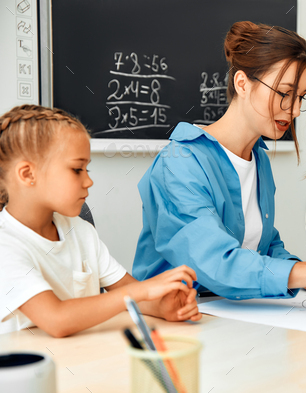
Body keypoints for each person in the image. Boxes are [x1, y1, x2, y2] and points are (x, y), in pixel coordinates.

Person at [132, 21, 306, 314]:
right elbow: (216, 263)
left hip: (235, 314)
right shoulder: (179, 163)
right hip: (175, 320)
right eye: (284, 93)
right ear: (242, 83)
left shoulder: (257, 158)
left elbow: (265, 246)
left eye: (301, 97)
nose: (295, 110)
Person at [0, 105, 201, 337]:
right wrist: (143, 291)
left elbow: (126, 289)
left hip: (86, 359)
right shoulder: (6, 245)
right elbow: (57, 319)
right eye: (77, 169)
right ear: (27, 174)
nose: (88, 181)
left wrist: (162, 307)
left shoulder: (81, 231)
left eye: (87, 169)